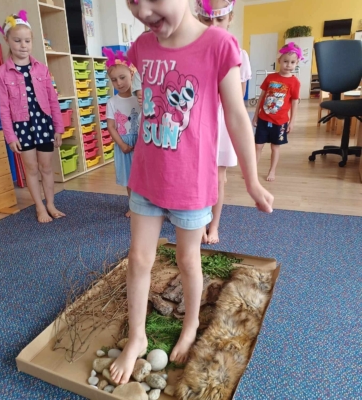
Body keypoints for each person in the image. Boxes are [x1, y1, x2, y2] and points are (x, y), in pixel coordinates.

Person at [110, 0, 274, 385]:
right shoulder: (142, 46)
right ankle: (137, 336)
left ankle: (191, 324)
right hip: (146, 176)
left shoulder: (218, 44)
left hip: (191, 182)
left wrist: (252, 179)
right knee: (139, 258)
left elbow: (236, 116)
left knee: (188, 259)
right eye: (132, 1)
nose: (142, 12)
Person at [0, 11, 65, 223]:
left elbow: (53, 100)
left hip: (43, 124)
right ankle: (40, 207)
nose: (23, 45)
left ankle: (50, 204)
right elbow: (3, 107)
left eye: (27, 41)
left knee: (46, 167)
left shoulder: (41, 69)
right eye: (17, 40)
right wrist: (10, 136)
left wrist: (58, 128)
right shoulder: (3, 72)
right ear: (7, 40)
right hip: (21, 127)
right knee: (31, 168)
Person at [197, 0, 252, 244]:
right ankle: (198, 222)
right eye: (206, 19)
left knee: (219, 177)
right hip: (198, 122)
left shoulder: (239, 53)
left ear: (230, 18)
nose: (213, 25)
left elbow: (238, 100)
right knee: (198, 175)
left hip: (222, 120)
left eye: (220, 19)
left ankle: (214, 225)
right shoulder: (193, 50)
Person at [252, 42, 301, 182]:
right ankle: (252, 171)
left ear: (297, 63)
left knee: (275, 148)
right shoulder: (270, 78)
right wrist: (256, 115)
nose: (288, 65)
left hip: (280, 122)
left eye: (292, 62)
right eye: (285, 61)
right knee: (258, 146)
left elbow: (295, 102)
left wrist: (292, 122)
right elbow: (261, 97)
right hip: (263, 118)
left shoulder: (295, 82)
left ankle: (272, 170)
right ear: (279, 60)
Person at [104, 49, 141, 217]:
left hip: (141, 142)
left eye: (122, 77)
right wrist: (122, 145)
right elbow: (111, 126)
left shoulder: (139, 98)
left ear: (132, 74)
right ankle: (133, 206)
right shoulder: (112, 102)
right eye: (114, 80)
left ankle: (148, 207)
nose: (119, 83)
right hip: (124, 145)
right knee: (130, 178)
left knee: (144, 176)